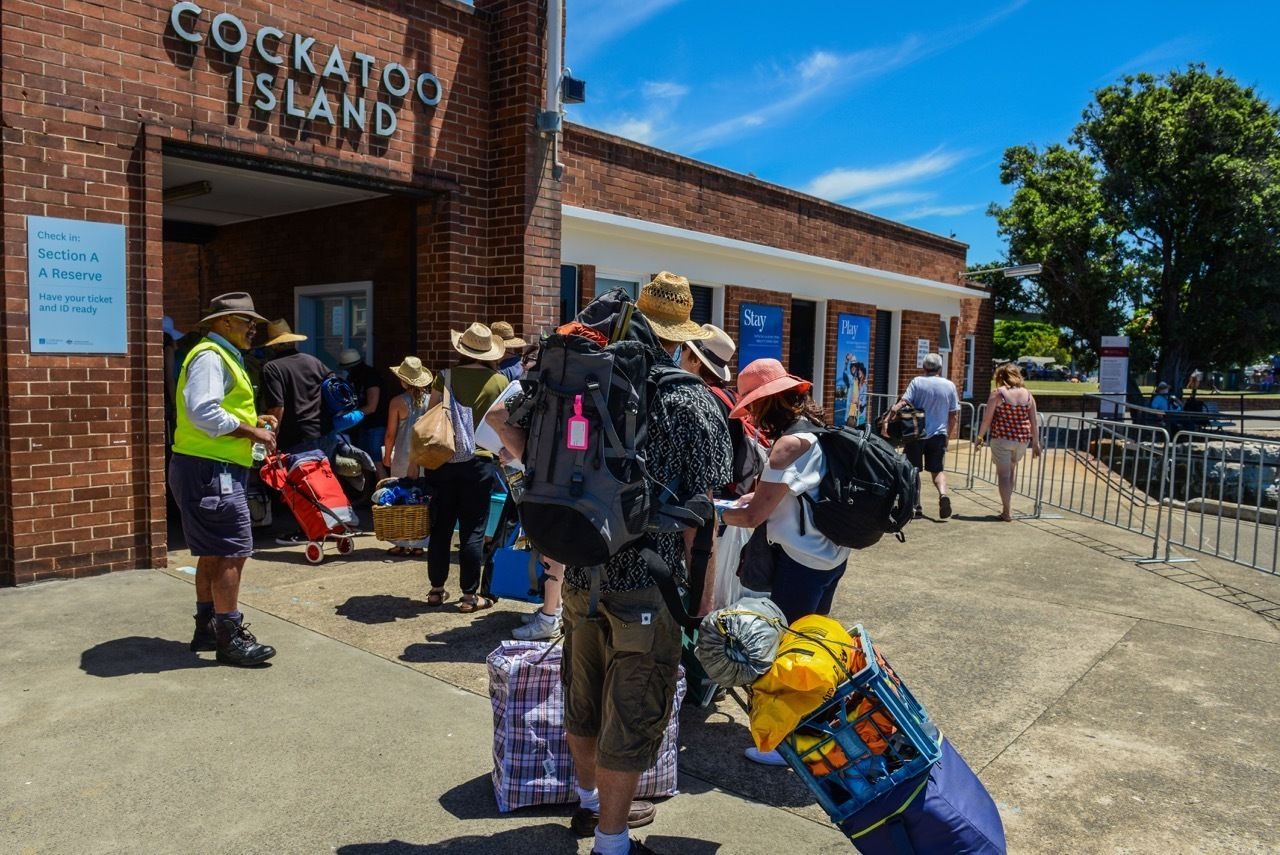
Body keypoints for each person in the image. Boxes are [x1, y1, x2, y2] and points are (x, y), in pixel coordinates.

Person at [492, 271, 731, 855]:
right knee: (634, 706)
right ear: (681, 338)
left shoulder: (573, 378)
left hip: (580, 571)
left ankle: (593, 801)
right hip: (648, 582)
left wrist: (569, 494)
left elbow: (497, 420)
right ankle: (613, 840)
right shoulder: (688, 395)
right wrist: (701, 595)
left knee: (583, 694)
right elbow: (709, 497)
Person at [721, 358, 852, 766]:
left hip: (800, 562)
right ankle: (816, 727)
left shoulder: (785, 446)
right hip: (831, 555)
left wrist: (711, 512)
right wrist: (751, 500)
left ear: (765, 404)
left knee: (789, 655)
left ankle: (788, 742)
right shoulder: (820, 433)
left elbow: (753, 517)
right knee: (811, 645)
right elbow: (791, 496)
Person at [168, 292, 278, 666]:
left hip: (204, 467)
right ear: (223, 322)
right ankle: (229, 638)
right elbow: (203, 411)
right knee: (233, 549)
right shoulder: (212, 357)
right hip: (212, 470)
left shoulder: (217, 355)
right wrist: (252, 432)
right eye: (247, 321)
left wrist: (253, 422)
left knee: (213, 551)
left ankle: (208, 627)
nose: (253, 328)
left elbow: (213, 411)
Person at [424, 323, 510, 611]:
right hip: (480, 462)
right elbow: (505, 424)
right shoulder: (499, 382)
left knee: (441, 526)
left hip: (444, 460)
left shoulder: (444, 377)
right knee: (473, 529)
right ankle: (469, 596)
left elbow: (430, 415)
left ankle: (436, 590)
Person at [888, 353, 959, 519]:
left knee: (913, 470)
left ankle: (916, 505)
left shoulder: (917, 382)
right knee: (937, 470)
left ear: (924, 367)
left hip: (916, 433)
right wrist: (948, 435)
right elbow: (953, 414)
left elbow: (904, 401)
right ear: (940, 368)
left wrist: (894, 409)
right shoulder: (949, 385)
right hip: (939, 434)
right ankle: (942, 494)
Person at [381, 356, 434, 557]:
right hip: (425, 455)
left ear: (404, 380)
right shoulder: (431, 401)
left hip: (403, 454)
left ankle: (400, 542)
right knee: (421, 498)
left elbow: (390, 433)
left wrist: (387, 455)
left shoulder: (397, 402)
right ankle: (420, 543)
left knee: (399, 497)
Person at [974, 363, 1041, 521]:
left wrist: (979, 437)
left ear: (1000, 377)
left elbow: (987, 420)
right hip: (1022, 441)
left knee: (1003, 475)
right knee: (1011, 473)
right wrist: (1036, 443)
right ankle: (1007, 509)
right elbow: (1034, 422)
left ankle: (1007, 511)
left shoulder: (998, 394)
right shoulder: (1028, 395)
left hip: (1002, 438)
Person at [260, 319, 328, 455]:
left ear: (273, 346)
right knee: (325, 475)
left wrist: (270, 436)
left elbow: (276, 408)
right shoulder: (313, 361)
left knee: (296, 476)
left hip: (295, 439)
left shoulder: (272, 367)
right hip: (324, 433)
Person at [340, 348, 392, 476]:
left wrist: (346, 416)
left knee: (376, 462)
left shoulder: (370, 376)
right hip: (364, 425)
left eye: (348, 368)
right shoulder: (354, 377)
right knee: (364, 462)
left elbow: (371, 406)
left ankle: (383, 493)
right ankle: (367, 494)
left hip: (376, 425)